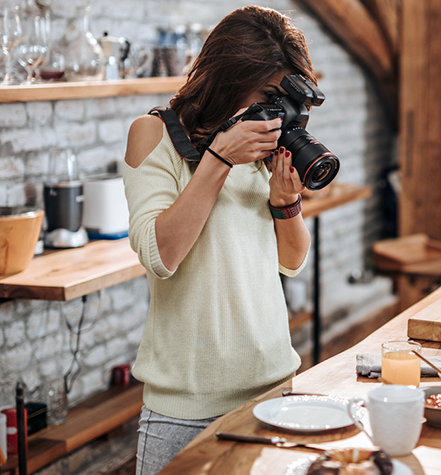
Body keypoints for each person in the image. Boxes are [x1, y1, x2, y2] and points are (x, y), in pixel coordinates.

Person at [122, 6, 314, 474]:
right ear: (229, 76)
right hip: (185, 410)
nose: (275, 110)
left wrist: (286, 202)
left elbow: (291, 261)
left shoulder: (260, 144)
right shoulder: (155, 135)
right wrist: (219, 159)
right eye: (269, 94)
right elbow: (159, 255)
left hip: (274, 388)